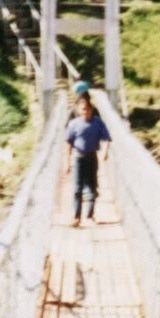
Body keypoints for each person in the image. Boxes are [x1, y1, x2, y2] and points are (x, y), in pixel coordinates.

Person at [64, 91, 111, 225]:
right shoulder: (73, 124)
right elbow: (68, 143)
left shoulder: (98, 123)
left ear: (91, 109)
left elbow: (107, 138)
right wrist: (66, 163)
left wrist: (105, 152)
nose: (83, 111)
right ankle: (76, 217)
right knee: (77, 188)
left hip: (92, 157)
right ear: (78, 109)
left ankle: (90, 215)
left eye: (86, 108)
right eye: (81, 108)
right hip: (78, 158)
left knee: (92, 187)